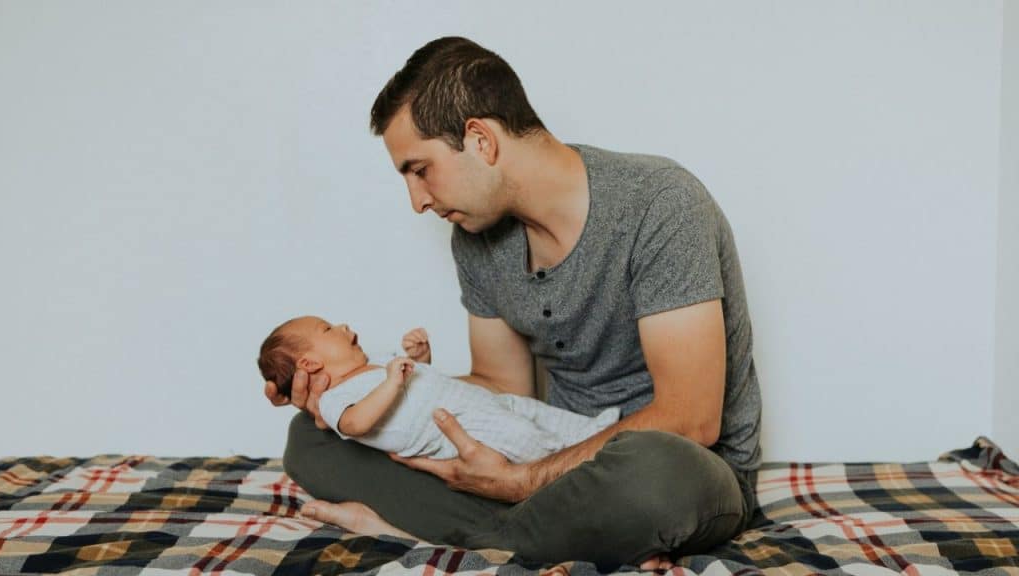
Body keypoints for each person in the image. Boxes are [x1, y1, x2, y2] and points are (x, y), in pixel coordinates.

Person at [264, 36, 762, 570]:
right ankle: (509, 536)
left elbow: (690, 419)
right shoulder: (477, 240)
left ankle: (444, 531)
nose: (417, 202)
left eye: (419, 169)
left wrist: (521, 480)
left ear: (479, 139)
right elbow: (501, 389)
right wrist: (360, 393)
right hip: (538, 458)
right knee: (310, 441)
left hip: (674, 466)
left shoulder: (660, 204)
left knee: (658, 473)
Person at [257, 316, 619, 464]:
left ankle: (592, 432)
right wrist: (391, 382)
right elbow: (356, 424)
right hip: (456, 427)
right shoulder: (335, 400)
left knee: (528, 409)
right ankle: (576, 462)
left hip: (472, 400)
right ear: (309, 365)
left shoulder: (376, 359)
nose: (344, 326)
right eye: (327, 330)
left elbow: (422, 380)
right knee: (522, 435)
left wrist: (421, 359)